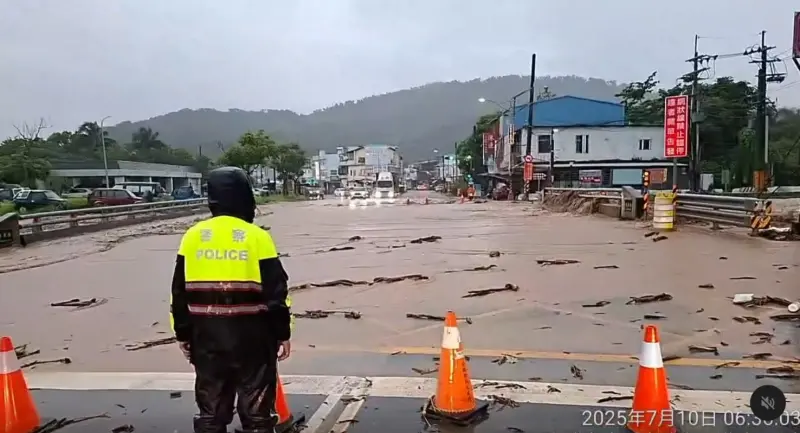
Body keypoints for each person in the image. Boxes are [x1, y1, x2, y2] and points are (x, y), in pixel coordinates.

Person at [170, 166, 293, 433]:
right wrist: (282, 333)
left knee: (211, 413)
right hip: (254, 339)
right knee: (257, 413)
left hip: (207, 338)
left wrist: (183, 334)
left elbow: (178, 293)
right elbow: (276, 294)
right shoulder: (257, 237)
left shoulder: (192, 237)